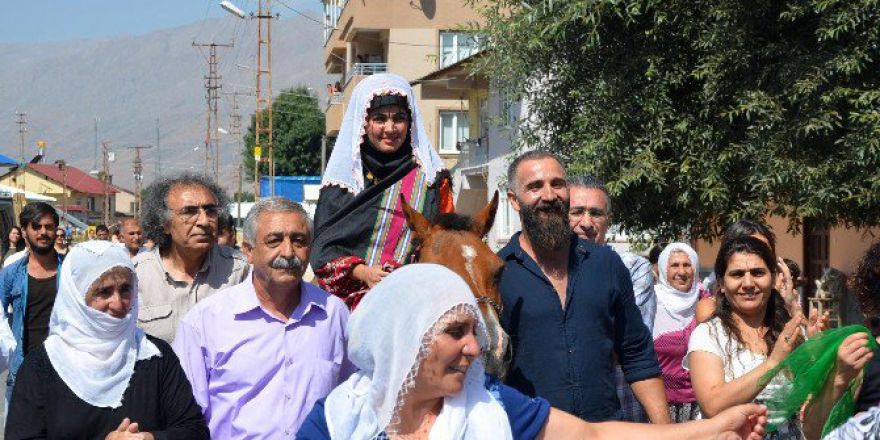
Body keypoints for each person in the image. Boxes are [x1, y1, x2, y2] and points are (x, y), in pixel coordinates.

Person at [297, 264, 771, 440]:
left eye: (474, 332)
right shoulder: (338, 422)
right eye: (455, 332)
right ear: (406, 337)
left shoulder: (493, 407)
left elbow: (594, 436)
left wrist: (712, 428)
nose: (473, 347)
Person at [498, 151, 670, 423]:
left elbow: (637, 356)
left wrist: (666, 431)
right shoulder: (499, 273)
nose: (549, 195)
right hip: (533, 431)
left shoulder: (606, 264)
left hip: (606, 430)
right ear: (514, 201)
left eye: (557, 184)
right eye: (535, 186)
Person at [174, 197, 353, 438]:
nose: (288, 252)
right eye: (274, 241)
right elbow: (186, 418)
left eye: (298, 241)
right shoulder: (206, 322)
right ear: (248, 250)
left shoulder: (333, 314)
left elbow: (349, 399)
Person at [5, 241, 209, 439]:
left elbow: (194, 430)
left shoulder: (156, 356)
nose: (118, 303)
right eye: (103, 292)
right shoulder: (42, 366)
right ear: (76, 296)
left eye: (125, 289)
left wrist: (149, 438)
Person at [311, 73, 452, 309]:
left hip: (414, 305)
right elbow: (322, 250)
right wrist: (363, 272)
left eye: (399, 118)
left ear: (411, 122)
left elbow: (446, 243)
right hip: (347, 309)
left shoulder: (431, 180)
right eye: (379, 119)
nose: (390, 128)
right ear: (364, 123)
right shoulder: (345, 182)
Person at [685, 236, 805, 439]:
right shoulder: (709, 335)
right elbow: (712, 405)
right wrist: (772, 363)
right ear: (722, 283)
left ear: (774, 278)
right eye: (737, 274)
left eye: (758, 273)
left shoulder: (789, 333)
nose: (748, 283)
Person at [567, 175, 657, 422]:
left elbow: (627, 345)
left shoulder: (633, 268)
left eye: (595, 213)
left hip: (623, 409)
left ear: (609, 221)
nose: (586, 222)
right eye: (576, 212)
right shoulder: (547, 272)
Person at [135, 172, 249, 342]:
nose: (204, 221)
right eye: (189, 212)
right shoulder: (136, 275)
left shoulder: (240, 270)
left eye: (210, 211)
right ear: (165, 223)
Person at [0, 202, 63, 402]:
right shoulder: (11, 274)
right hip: (23, 370)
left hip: (65, 370)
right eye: (36, 226)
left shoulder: (72, 270)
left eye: (48, 226)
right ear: (25, 231)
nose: (43, 232)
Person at [695, 220, 801, 323]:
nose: (748, 283)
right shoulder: (709, 310)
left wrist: (788, 306)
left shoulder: (783, 299)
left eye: (763, 250)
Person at [654, 242, 708, 422]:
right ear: (662, 269)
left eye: (687, 264)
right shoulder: (650, 304)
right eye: (674, 265)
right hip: (660, 405)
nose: (682, 272)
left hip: (702, 403)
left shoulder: (706, 302)